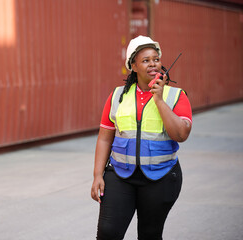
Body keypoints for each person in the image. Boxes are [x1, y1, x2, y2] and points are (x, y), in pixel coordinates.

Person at [90, 35, 192, 240]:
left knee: (149, 234)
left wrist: (159, 100)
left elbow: (181, 134)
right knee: (108, 233)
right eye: (146, 60)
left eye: (156, 59)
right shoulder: (117, 96)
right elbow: (104, 138)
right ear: (133, 66)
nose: (153, 64)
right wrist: (97, 175)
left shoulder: (176, 96)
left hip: (161, 177)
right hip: (120, 175)